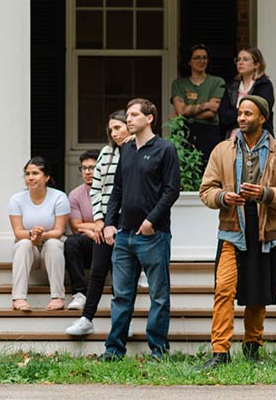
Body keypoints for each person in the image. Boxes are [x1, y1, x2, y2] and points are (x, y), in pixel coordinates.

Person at [197, 95, 276, 369]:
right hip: (232, 226)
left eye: (248, 114)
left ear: (262, 118)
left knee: (258, 292)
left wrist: (266, 193)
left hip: (265, 228)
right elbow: (206, 191)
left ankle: (253, 347)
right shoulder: (223, 150)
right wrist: (223, 197)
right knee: (223, 289)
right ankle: (220, 351)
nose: (241, 118)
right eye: (240, 113)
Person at [101, 98, 180, 361]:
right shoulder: (126, 150)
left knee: (158, 296)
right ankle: (114, 351)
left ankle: (158, 351)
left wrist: (151, 221)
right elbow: (118, 190)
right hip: (124, 235)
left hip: (153, 236)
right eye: (128, 115)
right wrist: (109, 222)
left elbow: (171, 190)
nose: (128, 120)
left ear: (149, 118)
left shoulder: (165, 149)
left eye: (134, 115)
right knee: (121, 296)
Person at [66, 111, 131, 336]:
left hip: (131, 222)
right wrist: (99, 220)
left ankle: (122, 325)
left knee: (124, 275)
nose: (114, 133)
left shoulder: (139, 152)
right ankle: (86, 318)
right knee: (97, 270)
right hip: (107, 221)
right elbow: (97, 188)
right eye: (111, 129)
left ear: (130, 126)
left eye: (118, 128)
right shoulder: (107, 152)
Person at [8, 156, 70, 312]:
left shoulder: (59, 197)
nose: (30, 178)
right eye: (27, 174)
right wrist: (31, 234)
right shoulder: (16, 199)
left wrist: (42, 236)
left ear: (47, 177)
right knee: (23, 244)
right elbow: (18, 232)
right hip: (31, 252)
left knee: (54, 243)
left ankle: (57, 297)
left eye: (35, 173)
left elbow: (59, 231)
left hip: (51, 250)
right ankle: (18, 298)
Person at [171, 44, 226, 166]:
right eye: (197, 58)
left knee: (210, 169)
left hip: (210, 132)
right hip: (185, 133)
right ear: (189, 61)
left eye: (204, 58)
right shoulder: (179, 84)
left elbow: (212, 111)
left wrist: (187, 112)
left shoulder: (217, 82)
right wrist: (207, 104)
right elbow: (180, 110)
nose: (202, 61)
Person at [63, 150, 101, 311]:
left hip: (109, 240)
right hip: (89, 243)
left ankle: (119, 293)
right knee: (71, 242)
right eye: (84, 168)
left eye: (92, 168)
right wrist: (98, 227)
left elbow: (115, 224)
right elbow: (76, 226)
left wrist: (93, 227)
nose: (87, 172)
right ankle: (80, 293)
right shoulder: (75, 195)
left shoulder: (112, 191)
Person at [218, 46, 275, 138]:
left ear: (256, 64)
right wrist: (247, 114)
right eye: (238, 59)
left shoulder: (264, 85)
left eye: (245, 59)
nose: (240, 62)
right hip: (232, 137)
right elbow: (224, 116)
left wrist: (235, 115)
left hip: (258, 138)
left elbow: (260, 113)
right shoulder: (231, 87)